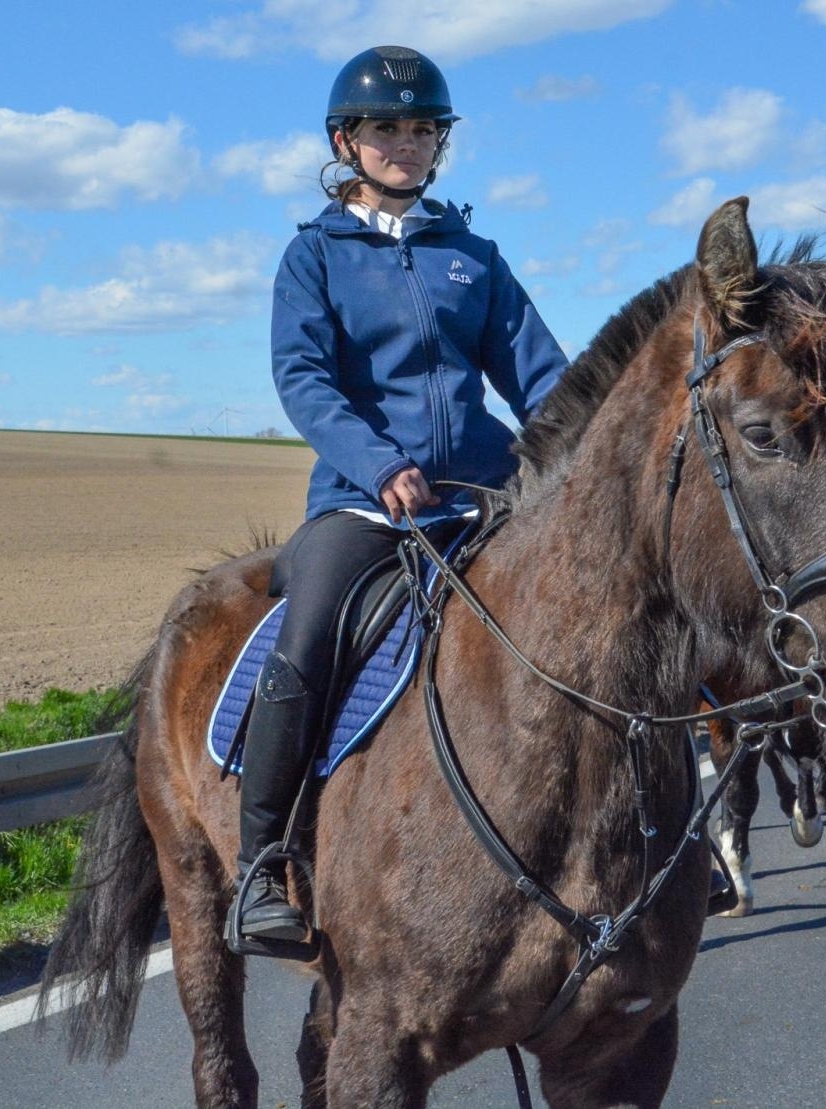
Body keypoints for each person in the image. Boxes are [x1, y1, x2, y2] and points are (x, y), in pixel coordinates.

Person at [229, 45, 570, 950]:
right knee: (306, 642)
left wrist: (582, 452)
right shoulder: (314, 258)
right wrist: (378, 463)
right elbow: (303, 378)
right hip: (365, 501)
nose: (406, 144)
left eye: (423, 129)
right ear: (347, 140)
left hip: (484, 497)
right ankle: (261, 861)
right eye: (387, 128)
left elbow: (541, 378)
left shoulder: (473, 257)